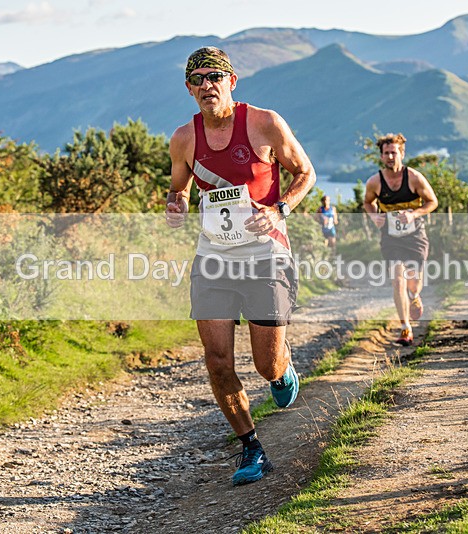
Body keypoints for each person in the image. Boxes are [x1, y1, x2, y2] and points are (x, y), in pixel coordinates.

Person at [164, 47, 316, 486]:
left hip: (266, 254)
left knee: (265, 365)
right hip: (213, 258)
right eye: (197, 79)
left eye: (215, 77)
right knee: (217, 361)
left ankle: (282, 369)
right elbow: (179, 189)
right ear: (189, 88)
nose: (206, 85)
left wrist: (279, 210)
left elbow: (305, 172)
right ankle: (251, 447)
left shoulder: (265, 123)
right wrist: (175, 205)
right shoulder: (184, 138)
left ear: (233, 81)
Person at [363, 133, 438, 346]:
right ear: (381, 156)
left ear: (401, 154)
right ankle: (405, 328)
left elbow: (432, 201)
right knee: (397, 280)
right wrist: (374, 215)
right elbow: (368, 203)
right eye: (386, 153)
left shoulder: (414, 178)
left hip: (415, 236)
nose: (390, 157)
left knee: (413, 282)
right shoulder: (375, 182)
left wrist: (414, 214)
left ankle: (414, 296)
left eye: (394, 153)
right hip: (391, 238)